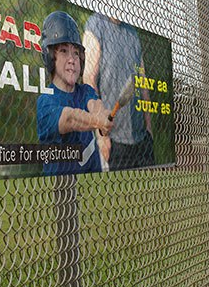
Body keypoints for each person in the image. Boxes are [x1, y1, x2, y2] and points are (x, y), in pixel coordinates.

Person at [37, 11, 113, 176]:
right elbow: (69, 118)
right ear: (51, 57)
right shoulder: (45, 101)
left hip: (90, 192)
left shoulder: (84, 91)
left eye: (76, 53)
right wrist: (97, 121)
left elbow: (95, 105)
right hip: (60, 194)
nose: (72, 59)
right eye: (64, 51)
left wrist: (103, 117)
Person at [82, 13, 155, 171]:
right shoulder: (95, 24)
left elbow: (142, 82)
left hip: (142, 139)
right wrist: (101, 135)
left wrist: (149, 128)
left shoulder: (133, 32)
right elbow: (89, 79)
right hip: (113, 140)